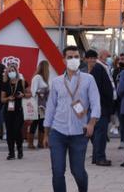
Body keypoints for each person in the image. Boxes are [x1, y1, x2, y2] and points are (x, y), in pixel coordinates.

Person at [44, 46, 101, 192]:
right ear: (64, 60)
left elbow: (95, 103)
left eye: (76, 56)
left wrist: (91, 123)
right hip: (58, 132)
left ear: (80, 59)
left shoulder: (89, 79)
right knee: (57, 172)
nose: (73, 60)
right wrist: (46, 133)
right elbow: (50, 107)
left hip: (79, 133)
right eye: (69, 57)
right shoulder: (57, 82)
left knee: (78, 172)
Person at [85, 50, 114, 166]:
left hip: (100, 106)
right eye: (90, 58)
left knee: (98, 133)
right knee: (99, 133)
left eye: (94, 58)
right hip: (97, 107)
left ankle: (97, 157)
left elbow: (105, 89)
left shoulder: (99, 69)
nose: (92, 60)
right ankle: (99, 157)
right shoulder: (96, 69)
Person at [1, 59, 31, 160]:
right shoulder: (5, 84)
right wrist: (8, 98)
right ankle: (11, 152)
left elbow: (29, 94)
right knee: (9, 131)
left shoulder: (22, 82)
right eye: (9, 71)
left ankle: (20, 150)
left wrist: (23, 95)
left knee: (17, 130)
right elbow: (2, 99)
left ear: (16, 71)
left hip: (19, 109)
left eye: (13, 70)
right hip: (8, 111)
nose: (11, 72)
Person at [28, 60, 51, 150]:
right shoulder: (37, 77)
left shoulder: (44, 79)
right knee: (34, 123)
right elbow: (33, 91)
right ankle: (30, 143)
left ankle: (40, 143)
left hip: (43, 105)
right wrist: (42, 92)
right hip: (37, 104)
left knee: (42, 123)